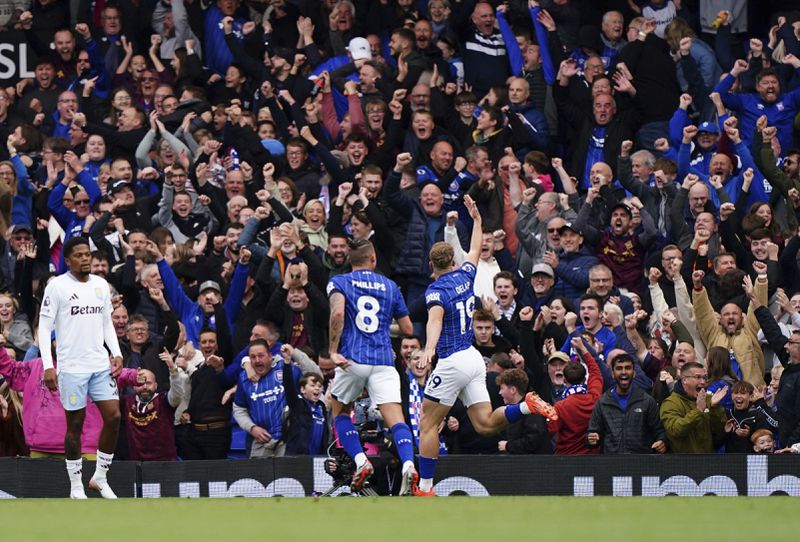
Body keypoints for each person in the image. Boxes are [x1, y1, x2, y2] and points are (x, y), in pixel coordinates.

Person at [414, 194, 556, 496]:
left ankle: (425, 489)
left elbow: (435, 320)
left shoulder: (435, 290)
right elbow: (477, 247)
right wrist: (477, 219)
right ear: (453, 260)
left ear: (431, 264)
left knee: (427, 424)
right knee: (486, 424)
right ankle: (526, 405)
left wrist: (428, 348)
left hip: (452, 360)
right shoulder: (466, 275)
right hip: (473, 358)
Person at [327, 237, 418, 494]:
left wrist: (333, 351)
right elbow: (408, 329)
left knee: (341, 413)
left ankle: (360, 460)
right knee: (396, 420)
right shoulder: (390, 286)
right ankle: (409, 464)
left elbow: (337, 314)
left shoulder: (340, 282)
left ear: (348, 260)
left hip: (352, 359)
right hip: (383, 361)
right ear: (373, 259)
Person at [37, 236, 124, 499]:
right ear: (68, 260)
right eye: (80, 255)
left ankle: (99, 476)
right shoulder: (57, 287)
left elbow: (106, 323)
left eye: (88, 254)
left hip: (99, 364)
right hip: (72, 367)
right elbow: (44, 327)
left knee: (114, 417)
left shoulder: (100, 285)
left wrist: (116, 352)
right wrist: (48, 366)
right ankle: (76, 485)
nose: (86, 259)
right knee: (75, 425)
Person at [587, 352, 667, 454]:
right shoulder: (602, 402)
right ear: (612, 373)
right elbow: (593, 433)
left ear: (634, 373)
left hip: (641, 463)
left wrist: (662, 441)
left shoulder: (647, 401)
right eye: (619, 368)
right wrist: (591, 439)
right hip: (611, 463)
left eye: (628, 368)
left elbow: (659, 431)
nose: (624, 372)